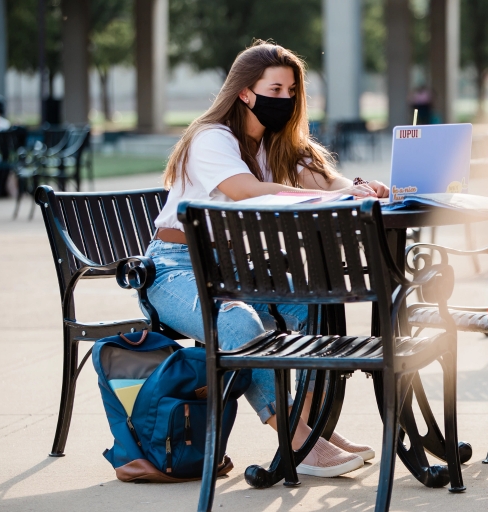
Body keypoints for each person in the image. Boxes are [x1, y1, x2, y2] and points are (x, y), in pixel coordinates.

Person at [144, 41, 388, 478]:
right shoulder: (211, 139)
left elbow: (326, 177)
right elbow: (243, 190)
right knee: (242, 326)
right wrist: (334, 195)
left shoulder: (276, 145)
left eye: (292, 90)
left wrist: (359, 187)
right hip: (176, 269)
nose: (285, 99)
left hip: (237, 273)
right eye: (275, 89)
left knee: (316, 306)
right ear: (244, 92)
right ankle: (294, 438)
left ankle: (310, 427)